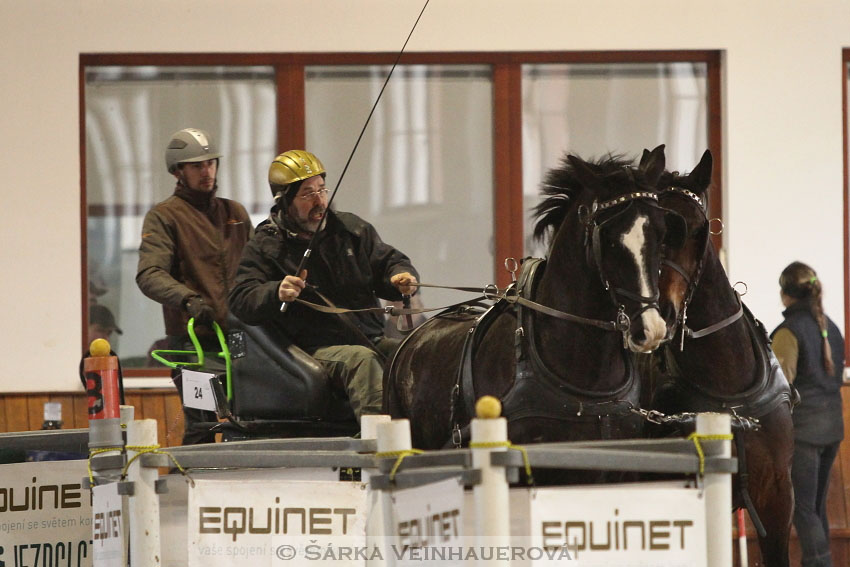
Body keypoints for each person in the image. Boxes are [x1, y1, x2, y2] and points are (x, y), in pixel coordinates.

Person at [228, 150, 418, 422]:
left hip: (368, 337)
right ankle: (380, 446)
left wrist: (401, 277)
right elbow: (241, 299)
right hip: (312, 349)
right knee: (363, 361)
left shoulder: (352, 230)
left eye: (321, 189)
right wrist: (275, 291)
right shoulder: (266, 245)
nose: (319, 200)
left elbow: (389, 261)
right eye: (307, 193)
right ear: (284, 201)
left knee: (413, 352)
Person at [136, 127, 253, 444]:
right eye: (197, 165)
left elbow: (258, 270)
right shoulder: (164, 217)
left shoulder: (236, 213)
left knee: (249, 427)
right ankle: (188, 486)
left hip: (243, 343)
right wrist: (188, 299)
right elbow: (149, 274)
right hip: (193, 345)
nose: (207, 171)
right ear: (178, 171)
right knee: (202, 428)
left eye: (211, 163)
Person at [771, 261, 845, 567]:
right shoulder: (830, 326)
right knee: (815, 506)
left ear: (785, 294)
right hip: (832, 428)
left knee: (802, 507)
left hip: (804, 431)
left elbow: (779, 385)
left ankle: (818, 564)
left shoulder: (789, 331)